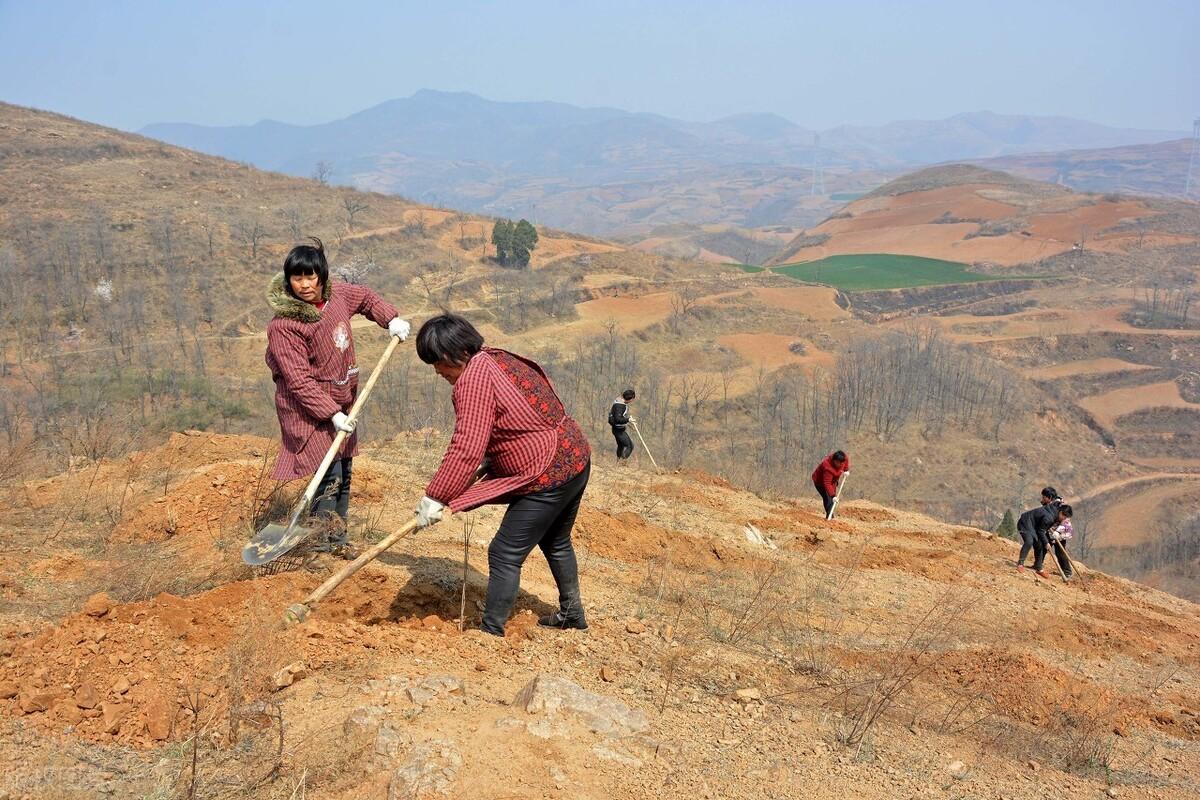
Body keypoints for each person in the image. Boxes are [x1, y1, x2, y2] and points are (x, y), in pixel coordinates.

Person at [412, 313, 591, 636]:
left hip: (546, 471)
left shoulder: (473, 381)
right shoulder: (496, 358)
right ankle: (572, 614)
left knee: (504, 552)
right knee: (556, 540)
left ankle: (491, 631)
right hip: (574, 456)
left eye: (439, 362)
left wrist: (435, 496)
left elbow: (467, 447)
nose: (438, 372)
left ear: (459, 353)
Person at [265, 238, 410, 558]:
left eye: (310, 277)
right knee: (326, 475)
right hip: (307, 409)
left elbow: (367, 298)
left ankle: (338, 542)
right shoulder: (285, 324)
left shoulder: (337, 295)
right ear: (288, 280)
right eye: (297, 278)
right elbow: (298, 380)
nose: (304, 285)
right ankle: (318, 545)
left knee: (344, 470)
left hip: (343, 399)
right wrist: (331, 414)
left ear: (322, 275)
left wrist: (391, 318)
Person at [1016, 487, 1066, 579]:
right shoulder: (1052, 506)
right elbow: (1042, 529)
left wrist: (1049, 540)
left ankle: (1039, 568)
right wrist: (1047, 542)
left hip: (1040, 526)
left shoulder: (1058, 506)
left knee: (1040, 544)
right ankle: (1020, 563)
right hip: (1026, 522)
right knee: (1029, 541)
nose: (1042, 500)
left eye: (1044, 498)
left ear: (1050, 497)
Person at [812, 450, 850, 518]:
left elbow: (846, 459)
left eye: (841, 463)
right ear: (834, 460)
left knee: (832, 499)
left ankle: (830, 515)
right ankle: (830, 517)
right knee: (828, 499)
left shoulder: (843, 459)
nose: (839, 464)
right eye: (837, 462)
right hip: (820, 483)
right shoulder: (827, 467)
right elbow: (827, 483)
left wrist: (846, 470)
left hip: (833, 481)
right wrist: (833, 496)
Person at [609, 389, 636, 460]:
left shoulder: (618, 401)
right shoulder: (620, 406)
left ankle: (618, 462)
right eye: (632, 399)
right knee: (630, 446)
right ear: (630, 399)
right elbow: (618, 419)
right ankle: (622, 462)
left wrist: (628, 423)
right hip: (619, 430)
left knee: (621, 446)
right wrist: (628, 420)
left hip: (616, 429)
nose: (632, 401)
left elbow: (619, 417)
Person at [1047, 514, 1075, 580]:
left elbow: (1069, 533)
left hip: (1060, 536)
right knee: (1043, 549)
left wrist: (1058, 535)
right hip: (1048, 533)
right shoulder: (1051, 511)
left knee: (1060, 554)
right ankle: (1038, 566)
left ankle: (1067, 572)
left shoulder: (1066, 521)